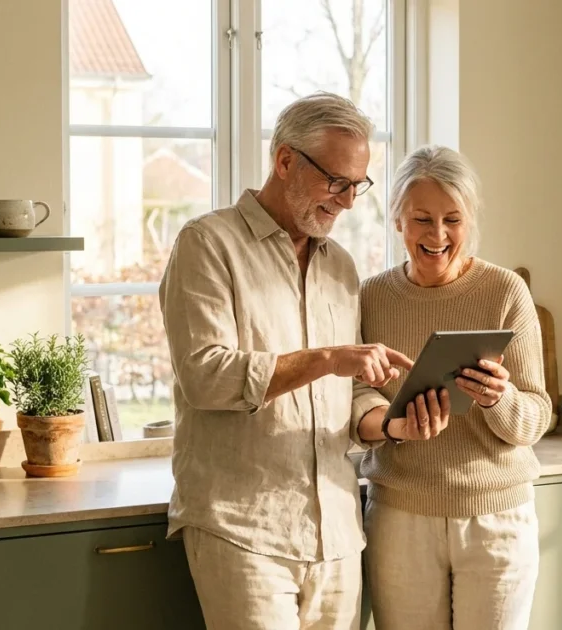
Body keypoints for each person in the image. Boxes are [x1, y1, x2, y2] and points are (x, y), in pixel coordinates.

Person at [157, 92, 446, 630]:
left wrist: (388, 422)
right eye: (336, 182)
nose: (347, 202)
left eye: (357, 186)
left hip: (336, 532)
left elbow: (351, 387)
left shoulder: (340, 266)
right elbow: (205, 376)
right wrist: (329, 359)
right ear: (285, 160)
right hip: (244, 529)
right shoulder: (207, 244)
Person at [355, 145, 552, 630]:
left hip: (497, 520)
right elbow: (357, 398)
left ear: (469, 220)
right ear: (397, 220)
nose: (437, 235)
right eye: (421, 218)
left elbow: (537, 415)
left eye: (452, 219)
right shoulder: (372, 297)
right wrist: (392, 426)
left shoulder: (505, 292)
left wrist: (499, 398)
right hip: (400, 516)